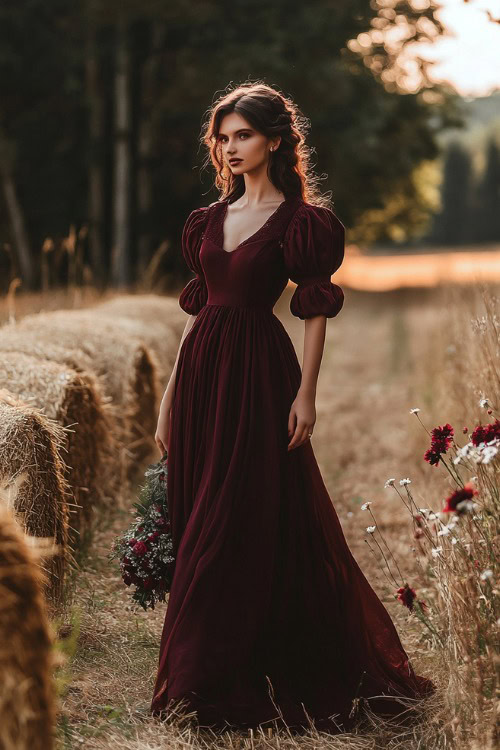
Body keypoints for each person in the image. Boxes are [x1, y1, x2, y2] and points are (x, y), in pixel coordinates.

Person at [151, 81, 434, 733]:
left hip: (259, 373)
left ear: (275, 140)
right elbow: (196, 315)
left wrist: (307, 393)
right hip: (200, 376)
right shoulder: (208, 221)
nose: (230, 147)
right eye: (222, 137)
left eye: (243, 134)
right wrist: (168, 396)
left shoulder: (301, 224)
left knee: (237, 516)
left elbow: (312, 312)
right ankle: (213, 672)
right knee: (200, 515)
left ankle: (208, 681)